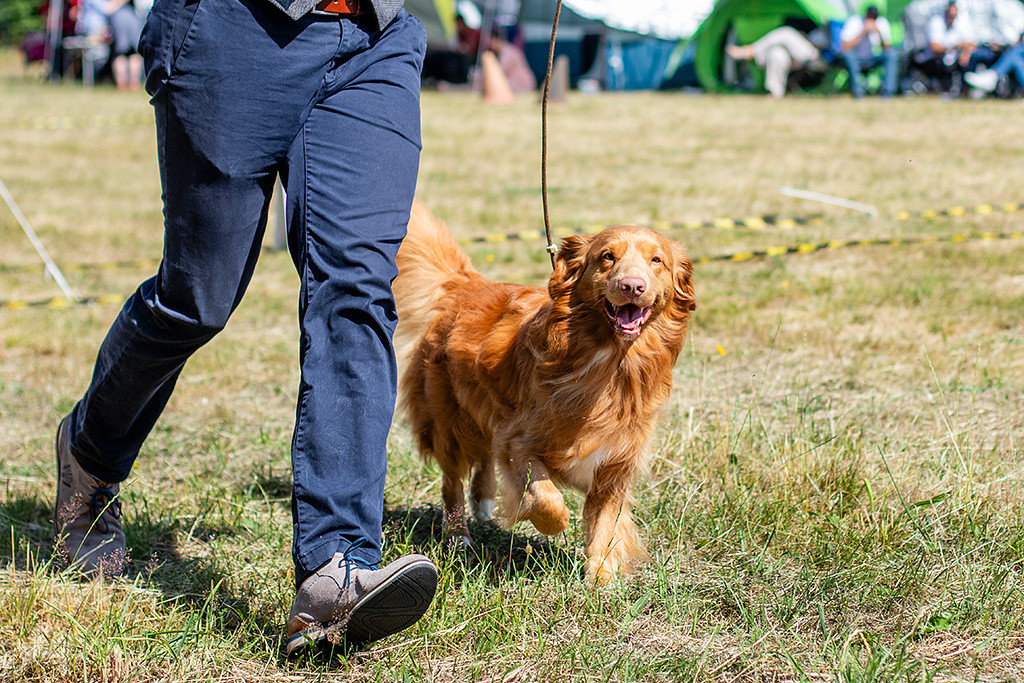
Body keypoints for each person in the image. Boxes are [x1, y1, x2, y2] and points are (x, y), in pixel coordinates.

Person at [52, 0, 439, 658]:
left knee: (356, 287)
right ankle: (89, 458)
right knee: (197, 298)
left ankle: (336, 571)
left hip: (372, 37)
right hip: (234, 30)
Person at [725, 26, 825, 98]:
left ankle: (750, 51)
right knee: (776, 53)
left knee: (786, 33)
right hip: (804, 54)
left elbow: (837, 48)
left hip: (819, 58)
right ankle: (776, 93)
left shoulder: (836, 19)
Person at [839, 4, 899, 98]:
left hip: (873, 57)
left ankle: (888, 93)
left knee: (892, 54)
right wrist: (863, 32)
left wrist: (880, 34)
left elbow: (887, 48)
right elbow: (845, 47)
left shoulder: (881, 22)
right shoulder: (855, 21)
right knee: (849, 55)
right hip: (856, 58)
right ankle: (858, 92)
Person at [104, 0, 144, 90]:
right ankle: (132, 84)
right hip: (134, 15)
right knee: (133, 53)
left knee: (121, 53)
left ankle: (122, 85)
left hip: (119, 15)